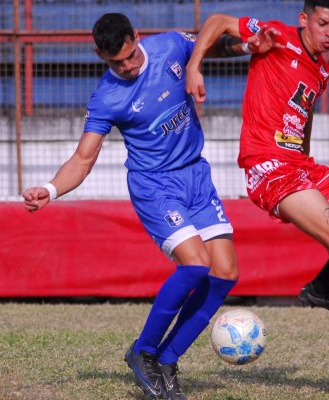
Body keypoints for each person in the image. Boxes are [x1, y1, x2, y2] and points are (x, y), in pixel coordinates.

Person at [22, 13, 279, 400]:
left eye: (129, 57)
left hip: (195, 176)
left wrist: (245, 47)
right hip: (155, 187)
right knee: (196, 264)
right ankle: (143, 352)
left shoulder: (171, 44)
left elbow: (211, 44)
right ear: (99, 54)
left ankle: (168, 358)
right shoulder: (107, 96)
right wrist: (51, 189)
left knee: (225, 273)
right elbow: (83, 158)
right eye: (115, 62)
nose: (125, 67)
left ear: (137, 38)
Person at [186, 0, 329, 374]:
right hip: (268, 166)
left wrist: (307, 162)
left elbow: (305, 116)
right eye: (323, 23)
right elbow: (216, 21)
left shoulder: (322, 69)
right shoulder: (276, 35)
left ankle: (319, 288)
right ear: (305, 19)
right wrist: (193, 67)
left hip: (300, 164)